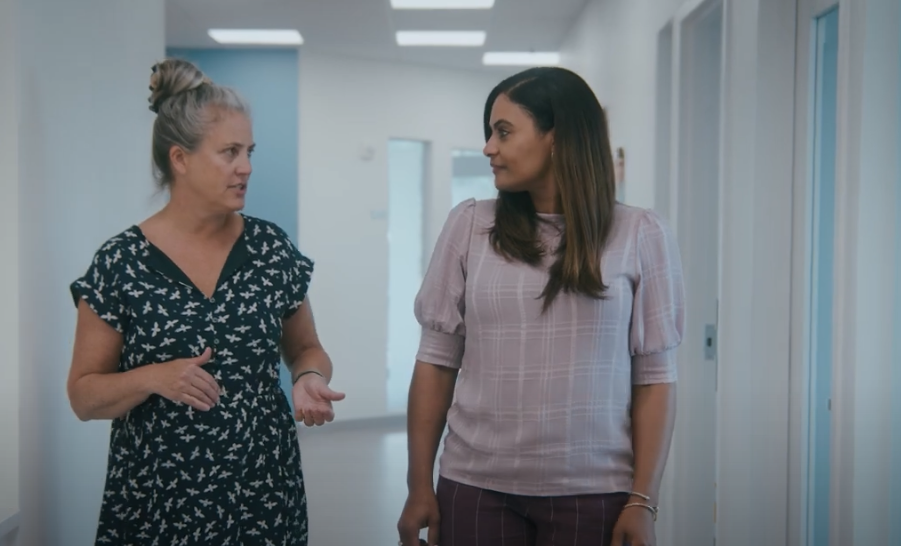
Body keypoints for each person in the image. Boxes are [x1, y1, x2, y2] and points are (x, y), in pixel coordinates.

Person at [396, 67, 684, 546]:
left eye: (503, 131)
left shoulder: (640, 234)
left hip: (594, 494)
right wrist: (418, 484)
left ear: (558, 137)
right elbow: (435, 362)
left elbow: (654, 378)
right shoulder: (471, 225)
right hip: (475, 486)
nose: (489, 146)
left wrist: (643, 499)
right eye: (489, 132)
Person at [66, 58, 345, 546]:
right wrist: (154, 376)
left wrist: (308, 378)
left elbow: (306, 348)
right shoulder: (121, 263)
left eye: (249, 151)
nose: (247, 167)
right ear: (181, 158)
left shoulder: (269, 249)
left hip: (262, 490)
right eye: (230, 152)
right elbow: (84, 395)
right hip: (158, 500)